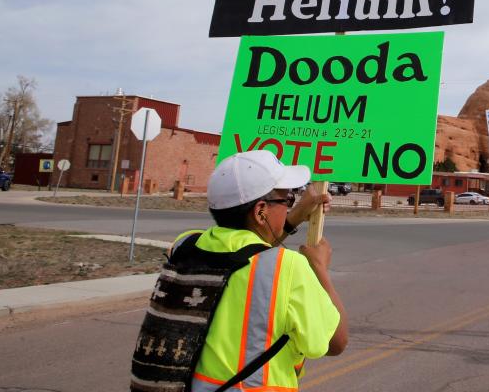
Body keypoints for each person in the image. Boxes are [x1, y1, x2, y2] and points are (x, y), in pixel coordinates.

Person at [138, 150, 348, 391]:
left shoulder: (184, 246)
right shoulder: (287, 266)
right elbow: (337, 342)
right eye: (286, 200)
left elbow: (246, 250)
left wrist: (295, 216)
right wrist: (320, 269)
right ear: (261, 211)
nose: (289, 205)